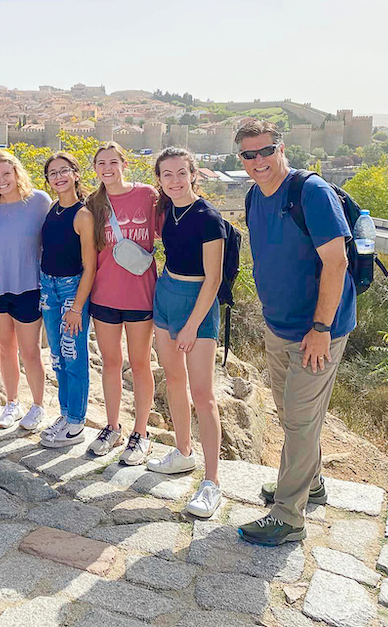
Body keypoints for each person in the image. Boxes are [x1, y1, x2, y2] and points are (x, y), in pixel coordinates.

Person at [233, 119, 356, 546]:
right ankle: (312, 483)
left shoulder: (311, 193)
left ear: (281, 148)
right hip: (279, 326)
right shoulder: (253, 196)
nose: (259, 161)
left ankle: (288, 516)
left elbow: (336, 262)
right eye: (249, 155)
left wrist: (321, 328)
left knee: (301, 420)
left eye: (266, 151)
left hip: (317, 330)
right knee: (290, 416)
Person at [146, 147, 226, 518]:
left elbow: (214, 279)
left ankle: (212, 483)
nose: (175, 181)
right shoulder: (166, 211)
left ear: (194, 174)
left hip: (197, 303)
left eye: (181, 173)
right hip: (165, 295)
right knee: (173, 380)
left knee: (204, 394)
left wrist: (193, 324)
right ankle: (182, 452)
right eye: (167, 175)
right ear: (159, 179)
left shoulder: (209, 218)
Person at [85, 142, 158, 465]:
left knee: (140, 363)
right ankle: (112, 427)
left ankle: (140, 433)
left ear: (124, 164)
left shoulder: (147, 196)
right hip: (104, 295)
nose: (107, 168)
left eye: (113, 162)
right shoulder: (93, 203)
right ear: (95, 169)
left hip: (141, 294)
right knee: (111, 362)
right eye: (101, 163)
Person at [0, 151, 51, 429]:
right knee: (5, 348)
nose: (1, 180)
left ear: (17, 173)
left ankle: (38, 406)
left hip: (29, 287)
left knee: (30, 350)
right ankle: (11, 403)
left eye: (5, 174)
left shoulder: (39, 202)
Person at [38, 152, 97, 448]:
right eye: (52, 173)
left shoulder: (83, 215)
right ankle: (65, 413)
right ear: (47, 180)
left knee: (74, 356)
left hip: (72, 289)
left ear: (75, 174)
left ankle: (76, 422)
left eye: (64, 171)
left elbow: (90, 266)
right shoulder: (52, 208)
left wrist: (76, 308)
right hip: (47, 286)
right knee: (58, 357)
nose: (59, 176)